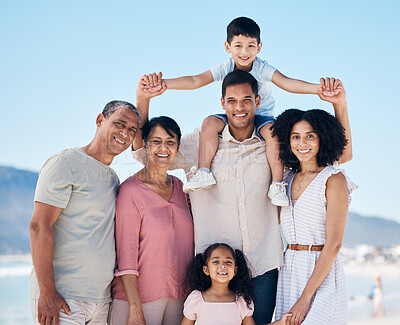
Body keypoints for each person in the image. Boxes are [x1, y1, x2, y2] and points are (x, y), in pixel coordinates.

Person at [132, 70, 352, 324]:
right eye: (232, 101)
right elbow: (142, 153)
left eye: (247, 100)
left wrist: (340, 104)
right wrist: (143, 100)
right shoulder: (203, 142)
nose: (240, 108)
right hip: (214, 270)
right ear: (222, 102)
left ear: (257, 102)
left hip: (263, 267)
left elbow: (338, 155)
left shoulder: (274, 146)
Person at [140, 16, 341, 207]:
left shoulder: (262, 68)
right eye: (238, 46)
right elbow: (196, 80)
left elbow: (288, 83)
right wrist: (164, 84)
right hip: (233, 117)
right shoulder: (225, 66)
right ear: (228, 47)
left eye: (250, 46)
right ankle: (204, 171)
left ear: (259, 48)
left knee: (272, 132)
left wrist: (318, 89)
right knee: (209, 122)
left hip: (261, 117)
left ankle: (277, 184)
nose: (244, 52)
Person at [29, 100, 141, 325]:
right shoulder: (66, 162)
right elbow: (39, 226)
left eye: (132, 130)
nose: (125, 133)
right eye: (119, 124)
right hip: (64, 298)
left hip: (100, 301)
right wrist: (48, 292)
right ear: (100, 120)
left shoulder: (113, 179)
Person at [272, 100, 357, 324]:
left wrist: (305, 298)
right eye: (295, 136)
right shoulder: (286, 178)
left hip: (322, 273)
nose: (302, 143)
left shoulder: (332, 179)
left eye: (310, 136)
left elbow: (334, 244)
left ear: (322, 138)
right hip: (289, 270)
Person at [108, 116, 194, 325]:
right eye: (156, 141)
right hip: (138, 300)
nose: (163, 148)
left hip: (179, 297)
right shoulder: (130, 191)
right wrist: (135, 308)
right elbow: (126, 256)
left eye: (170, 142)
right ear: (145, 145)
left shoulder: (182, 188)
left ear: (177, 147)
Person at [181, 243, 291, 325]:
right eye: (216, 262)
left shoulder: (241, 300)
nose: (223, 266)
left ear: (235, 270)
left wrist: (279, 323)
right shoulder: (197, 299)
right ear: (206, 270)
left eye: (228, 262)